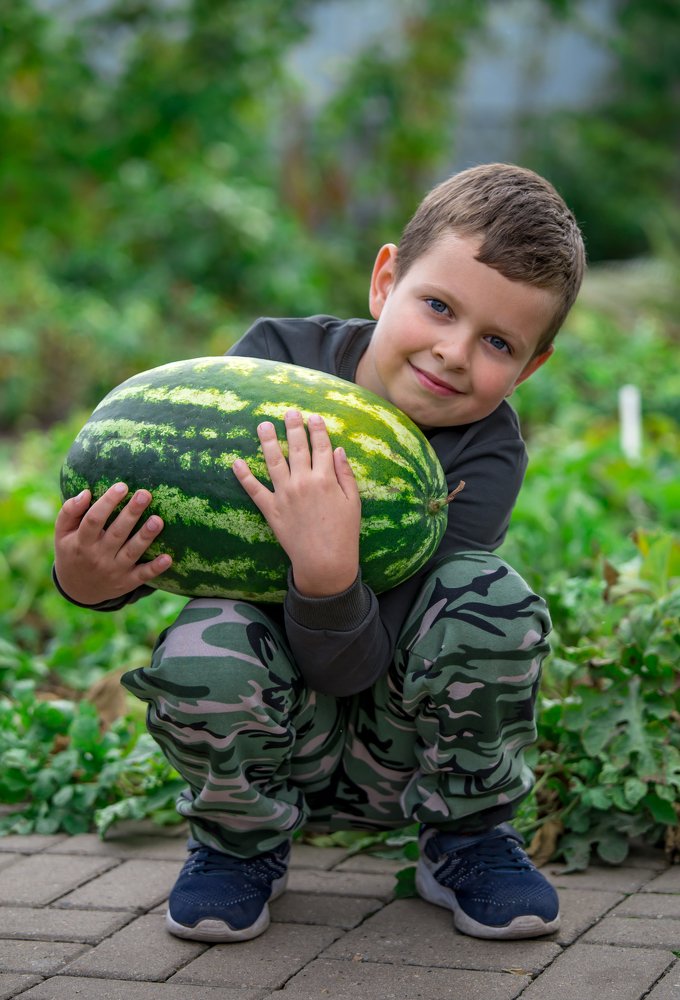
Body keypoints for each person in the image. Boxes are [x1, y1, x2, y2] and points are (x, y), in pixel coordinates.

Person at [53, 163, 585, 945]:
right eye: (437, 306)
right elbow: (186, 542)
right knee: (213, 631)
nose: (452, 352)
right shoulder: (273, 365)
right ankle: (239, 841)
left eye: (498, 342)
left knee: (490, 597)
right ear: (384, 282)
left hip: (397, 751)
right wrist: (88, 581)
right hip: (273, 735)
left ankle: (466, 837)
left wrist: (328, 573)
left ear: (531, 368)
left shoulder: (477, 457)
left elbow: (357, 668)